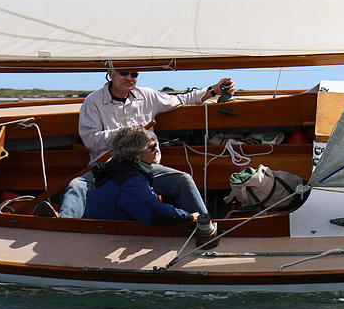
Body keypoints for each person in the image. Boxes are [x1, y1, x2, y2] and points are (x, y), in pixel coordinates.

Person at [56, 69, 235, 218]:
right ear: (111, 74)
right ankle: (63, 224)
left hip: (144, 167)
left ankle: (206, 226)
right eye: (124, 73)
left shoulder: (148, 96)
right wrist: (125, 133)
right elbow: (91, 140)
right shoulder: (93, 102)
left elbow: (181, 100)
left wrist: (213, 90)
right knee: (77, 185)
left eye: (134, 74)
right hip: (109, 169)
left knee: (183, 180)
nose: (129, 78)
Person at [85, 127, 194, 225]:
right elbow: (155, 213)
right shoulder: (131, 181)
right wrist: (189, 216)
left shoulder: (118, 170)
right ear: (136, 154)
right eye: (152, 147)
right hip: (111, 235)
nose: (157, 150)